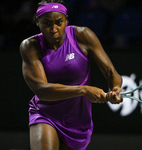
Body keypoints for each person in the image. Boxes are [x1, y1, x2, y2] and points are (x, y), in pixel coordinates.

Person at [19, 0, 123, 150]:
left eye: (59, 22)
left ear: (67, 20)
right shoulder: (30, 46)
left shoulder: (82, 35)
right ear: (37, 22)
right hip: (45, 113)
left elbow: (111, 72)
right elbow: (41, 90)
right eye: (47, 23)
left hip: (78, 120)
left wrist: (115, 88)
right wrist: (83, 90)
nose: (53, 29)